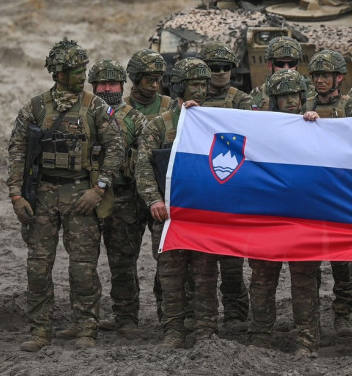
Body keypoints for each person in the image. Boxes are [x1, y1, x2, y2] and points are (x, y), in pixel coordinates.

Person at [6, 38, 124, 352]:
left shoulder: (95, 106)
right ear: (58, 73)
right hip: (42, 195)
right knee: (38, 267)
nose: (82, 75)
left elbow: (116, 148)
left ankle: (86, 328)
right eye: (75, 70)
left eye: (84, 69)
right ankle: (40, 330)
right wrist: (16, 195)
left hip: (80, 194)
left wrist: (99, 189)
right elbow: (17, 151)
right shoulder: (35, 107)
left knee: (83, 267)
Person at [134, 58, 211, 348]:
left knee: (205, 274)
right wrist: (153, 200)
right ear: (179, 87)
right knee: (170, 275)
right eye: (194, 84)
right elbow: (143, 165)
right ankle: (173, 330)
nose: (200, 90)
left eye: (203, 84)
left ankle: (205, 330)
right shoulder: (160, 125)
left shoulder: (215, 122)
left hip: (202, 214)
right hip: (168, 215)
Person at [247, 69, 322, 357]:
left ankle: (307, 339)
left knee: (304, 281)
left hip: (302, 218)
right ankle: (260, 335)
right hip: (267, 217)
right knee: (261, 279)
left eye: (295, 95)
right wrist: (194, 110)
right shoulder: (259, 129)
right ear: (272, 99)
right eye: (283, 96)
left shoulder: (314, 125)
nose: (290, 101)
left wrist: (317, 125)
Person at [79, 59, 149, 338]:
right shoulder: (81, 114)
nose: (108, 89)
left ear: (123, 85)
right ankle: (84, 318)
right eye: (102, 84)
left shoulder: (135, 119)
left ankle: (126, 317)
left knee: (122, 262)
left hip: (123, 198)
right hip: (85, 197)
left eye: (113, 83)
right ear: (93, 85)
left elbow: (145, 160)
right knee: (83, 262)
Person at [304, 48, 352, 334]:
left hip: (341, 194)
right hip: (310, 195)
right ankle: (310, 315)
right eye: (315, 76)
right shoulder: (303, 105)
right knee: (308, 259)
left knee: (342, 259)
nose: (319, 81)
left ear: (339, 77)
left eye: (325, 75)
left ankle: (343, 313)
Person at [196, 41, 251, 330]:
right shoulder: (191, 105)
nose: (219, 72)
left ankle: (235, 313)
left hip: (232, 193)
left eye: (225, 67)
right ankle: (200, 317)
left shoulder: (242, 102)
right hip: (201, 193)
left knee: (231, 263)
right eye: (213, 68)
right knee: (200, 264)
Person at [249, 36, 313, 109]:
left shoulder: (311, 92)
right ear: (270, 65)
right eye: (280, 63)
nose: (286, 68)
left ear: (296, 65)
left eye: (291, 63)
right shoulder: (256, 96)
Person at [125, 48, 174, 119]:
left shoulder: (171, 106)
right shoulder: (121, 109)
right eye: (150, 79)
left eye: (158, 79)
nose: (155, 85)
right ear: (136, 78)